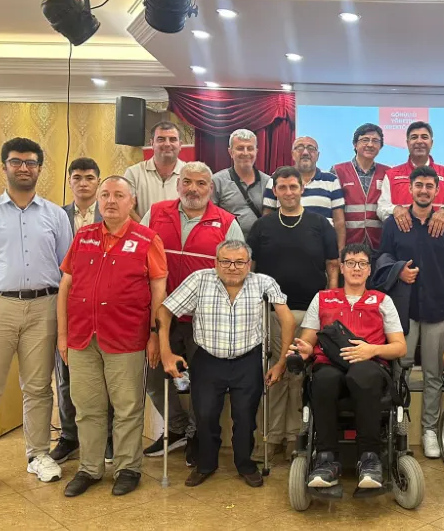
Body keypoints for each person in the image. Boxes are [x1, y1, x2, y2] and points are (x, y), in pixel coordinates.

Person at [0, 137, 73, 497]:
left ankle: (38, 455)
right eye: (17, 162)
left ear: (40, 168)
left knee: (38, 388)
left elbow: (68, 270)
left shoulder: (55, 215)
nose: (24, 168)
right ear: (4, 166)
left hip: (44, 308)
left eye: (31, 162)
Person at [56, 176, 168, 497]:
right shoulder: (83, 236)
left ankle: (127, 468)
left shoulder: (147, 239)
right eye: (105, 195)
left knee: (127, 408)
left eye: (119, 195)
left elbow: (158, 290)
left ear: (132, 202)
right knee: (87, 406)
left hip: (126, 338)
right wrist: (62, 335)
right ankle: (90, 469)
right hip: (82, 337)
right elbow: (66, 286)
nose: (110, 201)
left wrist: (154, 335)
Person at [160, 240, 295, 488]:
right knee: (205, 415)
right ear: (216, 262)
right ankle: (206, 464)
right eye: (226, 261)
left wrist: (282, 361)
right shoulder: (199, 279)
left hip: (247, 361)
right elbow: (165, 310)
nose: (232, 267)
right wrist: (165, 353)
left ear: (249, 264)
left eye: (239, 262)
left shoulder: (263, 282)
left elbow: (287, 319)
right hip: (207, 360)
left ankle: (245, 464)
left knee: (245, 417)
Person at [141, 162, 244, 464]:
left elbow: (238, 272)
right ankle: (176, 427)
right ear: (178, 185)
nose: (193, 189)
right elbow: (138, 256)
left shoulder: (226, 222)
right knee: (151, 375)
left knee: (204, 382)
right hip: (161, 315)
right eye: (187, 182)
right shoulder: (156, 213)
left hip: (205, 319)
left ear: (210, 188)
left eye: (201, 183)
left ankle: (196, 434)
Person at [289, 243, 408, 490]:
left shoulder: (382, 301)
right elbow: (308, 341)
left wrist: (371, 349)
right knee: (324, 379)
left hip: (370, 366)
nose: (356, 268)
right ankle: (326, 459)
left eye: (362, 263)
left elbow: (400, 347)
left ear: (369, 270)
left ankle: (369, 458)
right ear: (341, 268)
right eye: (351, 263)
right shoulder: (322, 298)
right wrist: (305, 350)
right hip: (329, 365)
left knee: (361, 374)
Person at [378, 165, 444, 458]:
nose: (423, 190)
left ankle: (429, 430)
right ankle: (399, 426)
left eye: (429, 186)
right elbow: (382, 258)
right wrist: (398, 271)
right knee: (401, 369)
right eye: (418, 185)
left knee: (433, 372)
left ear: (437, 190)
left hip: (437, 307)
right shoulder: (394, 222)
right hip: (403, 308)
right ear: (410, 188)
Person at [248, 166, 341, 461]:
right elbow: (250, 270)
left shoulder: (320, 224)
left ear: (302, 189)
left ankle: (295, 436)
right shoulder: (262, 226)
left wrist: (331, 302)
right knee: (275, 372)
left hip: (311, 312)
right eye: (282, 187)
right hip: (272, 313)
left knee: (299, 376)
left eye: (293, 187)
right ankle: (271, 436)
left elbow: (332, 266)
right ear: (274, 191)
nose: (288, 192)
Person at [52, 157, 113, 465]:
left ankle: (107, 437)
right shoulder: (55, 216)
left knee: (105, 375)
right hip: (67, 303)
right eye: (77, 177)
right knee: (64, 373)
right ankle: (69, 435)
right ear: (70, 181)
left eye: (90, 177)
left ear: (98, 182)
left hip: (104, 306)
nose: (83, 183)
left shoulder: (112, 214)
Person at [262, 136, 345, 251]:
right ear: (292, 154)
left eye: (311, 148)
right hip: (284, 249)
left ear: (318, 155)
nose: (305, 152)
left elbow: (339, 221)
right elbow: (267, 217)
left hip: (323, 250)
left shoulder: (331, 180)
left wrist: (340, 253)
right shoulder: (276, 178)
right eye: (300, 148)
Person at [377, 121, 444, 238]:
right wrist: (395, 209)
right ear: (407, 143)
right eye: (414, 137)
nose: (419, 141)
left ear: (431, 143)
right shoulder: (391, 175)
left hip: (436, 238)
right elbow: (381, 208)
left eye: (424, 137)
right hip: (402, 239)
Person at [332, 123, 391, 248]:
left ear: (380, 146)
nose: (370, 144)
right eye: (365, 140)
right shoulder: (338, 171)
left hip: (379, 244)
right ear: (355, 144)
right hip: (348, 244)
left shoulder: (388, 172)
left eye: (375, 141)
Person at [212, 129, 270, 238]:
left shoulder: (268, 182)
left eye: (250, 148)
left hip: (261, 244)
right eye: (240, 148)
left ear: (256, 151)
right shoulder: (216, 181)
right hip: (229, 244)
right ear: (231, 152)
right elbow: (210, 217)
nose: (245, 153)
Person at [124, 121, 187, 219]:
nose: (167, 144)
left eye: (172, 139)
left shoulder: (191, 174)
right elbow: (127, 209)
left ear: (180, 145)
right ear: (152, 144)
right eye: (161, 139)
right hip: (143, 229)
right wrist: (145, 228)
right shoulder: (134, 173)